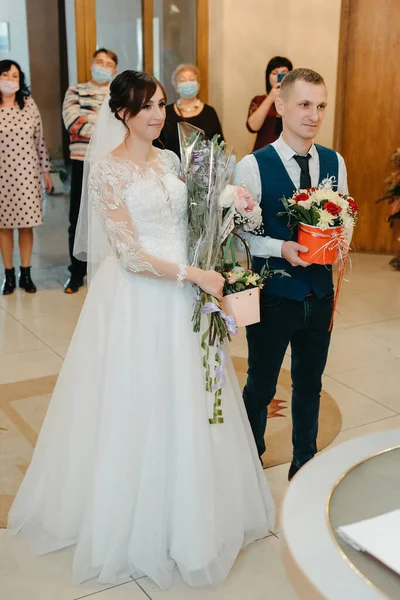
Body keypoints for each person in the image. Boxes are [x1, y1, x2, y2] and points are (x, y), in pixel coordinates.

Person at [8, 70, 274, 590]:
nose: (159, 114)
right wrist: (193, 274)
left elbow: (190, 223)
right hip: (141, 297)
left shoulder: (173, 160)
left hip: (187, 291)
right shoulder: (106, 172)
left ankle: (196, 511)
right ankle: (137, 521)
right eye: (148, 106)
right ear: (124, 114)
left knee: (194, 400)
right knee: (139, 402)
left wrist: (214, 250)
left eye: (162, 104)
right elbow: (129, 254)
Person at [233, 68, 349, 481]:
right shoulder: (253, 166)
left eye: (320, 106)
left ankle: (304, 463)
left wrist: (337, 240)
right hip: (273, 296)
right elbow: (240, 237)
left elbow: (342, 221)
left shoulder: (335, 162)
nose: (313, 115)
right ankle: (250, 460)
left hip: (319, 295)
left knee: (309, 383)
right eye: (304, 104)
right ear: (280, 106)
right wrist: (279, 248)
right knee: (261, 385)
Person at [62, 47, 118, 293]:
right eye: (100, 61)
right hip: (82, 160)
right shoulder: (76, 90)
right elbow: (73, 122)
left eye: (108, 64)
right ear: (92, 64)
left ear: (114, 70)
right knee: (78, 218)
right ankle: (76, 272)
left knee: (111, 217)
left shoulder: (118, 95)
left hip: (111, 164)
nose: (103, 66)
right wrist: (105, 127)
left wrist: (93, 121)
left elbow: (123, 124)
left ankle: (109, 269)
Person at [0, 60, 52, 295]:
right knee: (3, 227)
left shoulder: (29, 105)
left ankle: (26, 273)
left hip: (27, 176)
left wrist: (46, 171)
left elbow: (40, 141)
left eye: (15, 76)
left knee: (26, 225)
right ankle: (8, 276)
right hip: (2, 176)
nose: (10, 80)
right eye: (6, 75)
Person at [157, 63, 224, 157]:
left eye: (192, 79)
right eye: (182, 80)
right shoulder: (166, 112)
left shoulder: (209, 112)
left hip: (204, 170)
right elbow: (157, 145)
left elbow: (220, 146)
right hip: (172, 168)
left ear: (198, 85)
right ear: (176, 86)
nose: (187, 83)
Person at [247, 56, 293, 151]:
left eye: (284, 73)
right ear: (268, 76)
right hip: (263, 152)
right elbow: (252, 127)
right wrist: (270, 98)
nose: (279, 76)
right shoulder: (259, 100)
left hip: (290, 152)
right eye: (274, 73)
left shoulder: (296, 100)